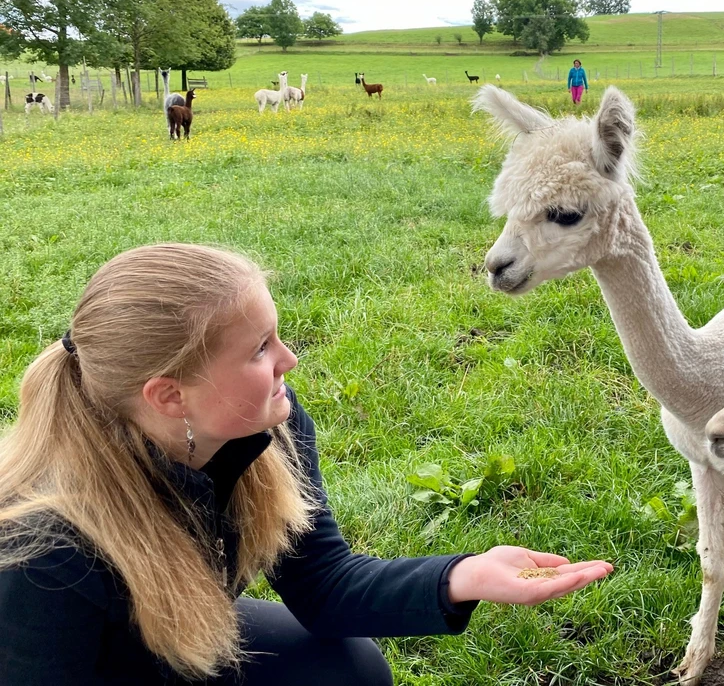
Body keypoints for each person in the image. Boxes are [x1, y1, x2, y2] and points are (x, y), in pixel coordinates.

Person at [0, 244, 613, 685]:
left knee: (348, 668)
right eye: (260, 349)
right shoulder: (44, 551)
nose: (289, 359)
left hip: (173, 642)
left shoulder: (272, 430)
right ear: (169, 395)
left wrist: (465, 576)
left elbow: (323, 585)